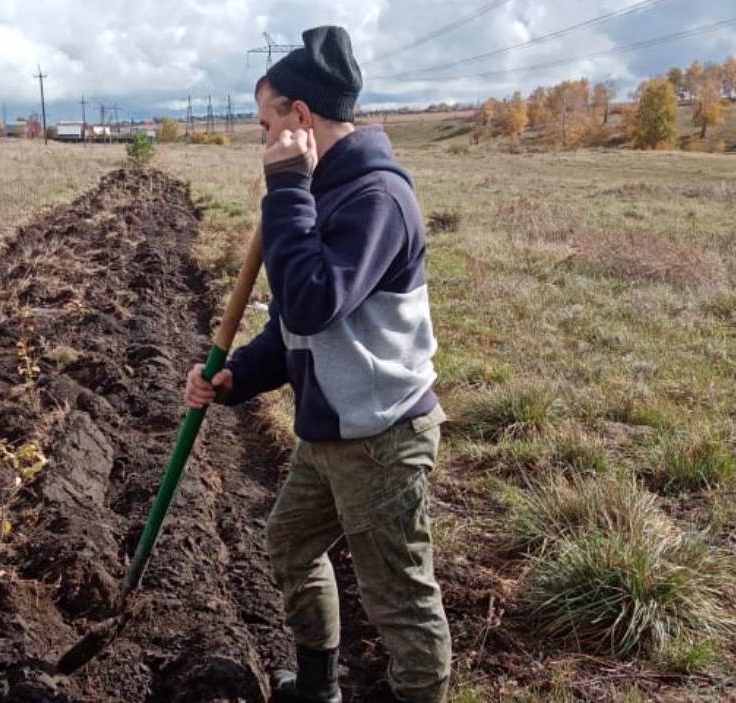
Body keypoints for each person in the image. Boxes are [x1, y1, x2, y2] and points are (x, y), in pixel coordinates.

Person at [183, 25, 452, 703]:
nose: (259, 138)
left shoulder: (375, 200)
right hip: (332, 425)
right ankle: (317, 688)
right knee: (290, 543)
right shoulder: (319, 194)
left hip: (383, 437)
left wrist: (284, 189)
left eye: (264, 122)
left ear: (299, 119)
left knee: (400, 602)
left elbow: (311, 303)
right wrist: (234, 376)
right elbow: (289, 329)